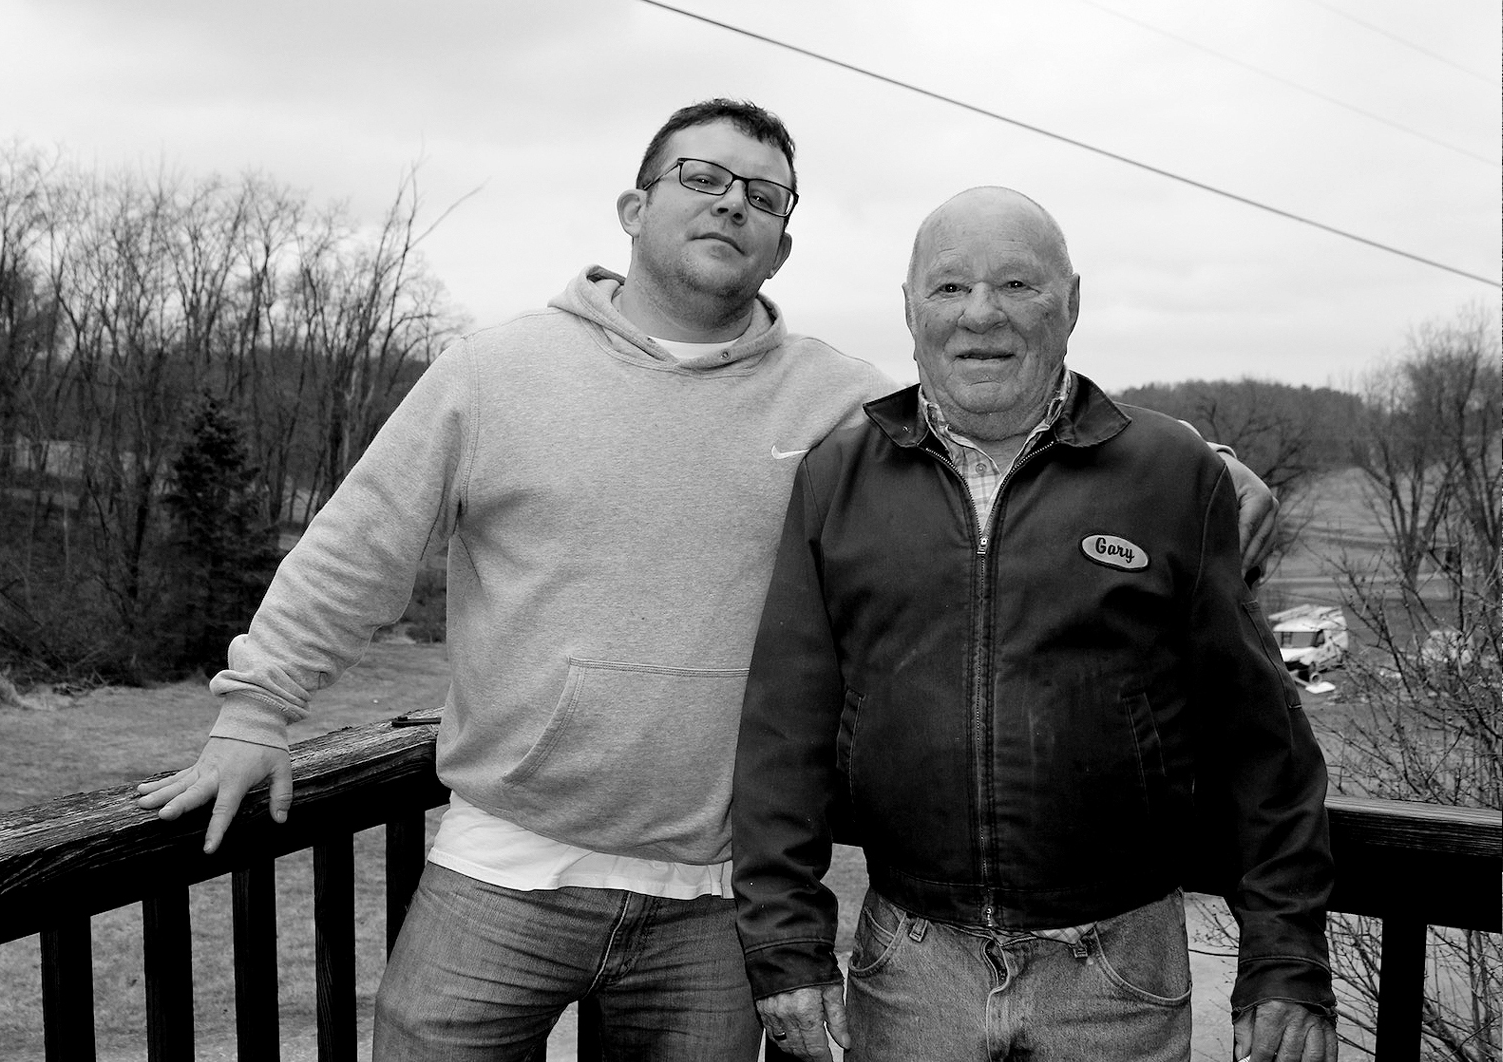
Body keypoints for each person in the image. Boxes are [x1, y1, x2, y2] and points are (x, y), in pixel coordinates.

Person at [135, 103, 1280, 1060]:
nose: (735, 202)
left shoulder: (834, 404)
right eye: (703, 176)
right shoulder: (495, 371)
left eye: (767, 195)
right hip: (502, 872)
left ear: (784, 245)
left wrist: (1204, 471)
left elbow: (992, 392)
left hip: (712, 906)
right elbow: (359, 548)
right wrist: (255, 710)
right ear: (635, 209)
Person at [731, 186, 1335, 1062]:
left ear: (1072, 303)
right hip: (907, 971)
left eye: (1018, 284)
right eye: (948, 289)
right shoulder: (838, 477)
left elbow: (1261, 742)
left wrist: (1284, 955)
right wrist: (785, 942)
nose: (982, 314)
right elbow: (782, 730)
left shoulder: (1172, 474)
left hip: (1117, 976)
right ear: (908, 310)